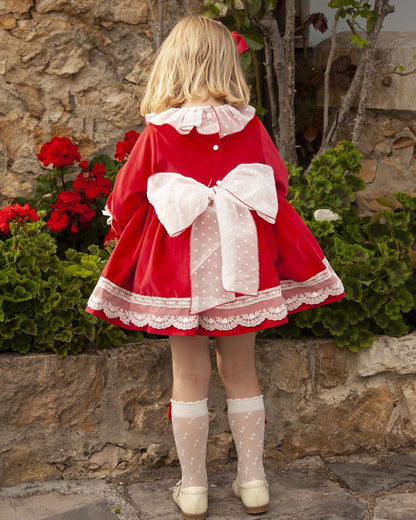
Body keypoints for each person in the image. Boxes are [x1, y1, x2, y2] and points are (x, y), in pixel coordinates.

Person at [86, 14, 344, 520]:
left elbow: (124, 199)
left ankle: (195, 489)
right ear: (229, 63)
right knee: (241, 371)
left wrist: (125, 234)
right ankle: (253, 484)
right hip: (241, 261)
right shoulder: (250, 126)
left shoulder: (159, 132)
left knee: (190, 373)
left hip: (176, 268)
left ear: (173, 64)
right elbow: (280, 184)